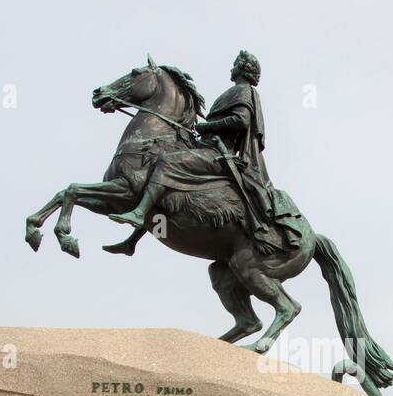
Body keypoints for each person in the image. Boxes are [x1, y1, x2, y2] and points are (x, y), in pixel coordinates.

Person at [109, 50, 285, 254]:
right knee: (156, 168)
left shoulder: (244, 91)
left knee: (166, 162)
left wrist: (207, 128)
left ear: (244, 68)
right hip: (207, 146)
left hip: (218, 153)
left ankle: (139, 213)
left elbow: (241, 120)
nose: (232, 67)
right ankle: (132, 240)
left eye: (235, 64)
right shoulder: (236, 91)